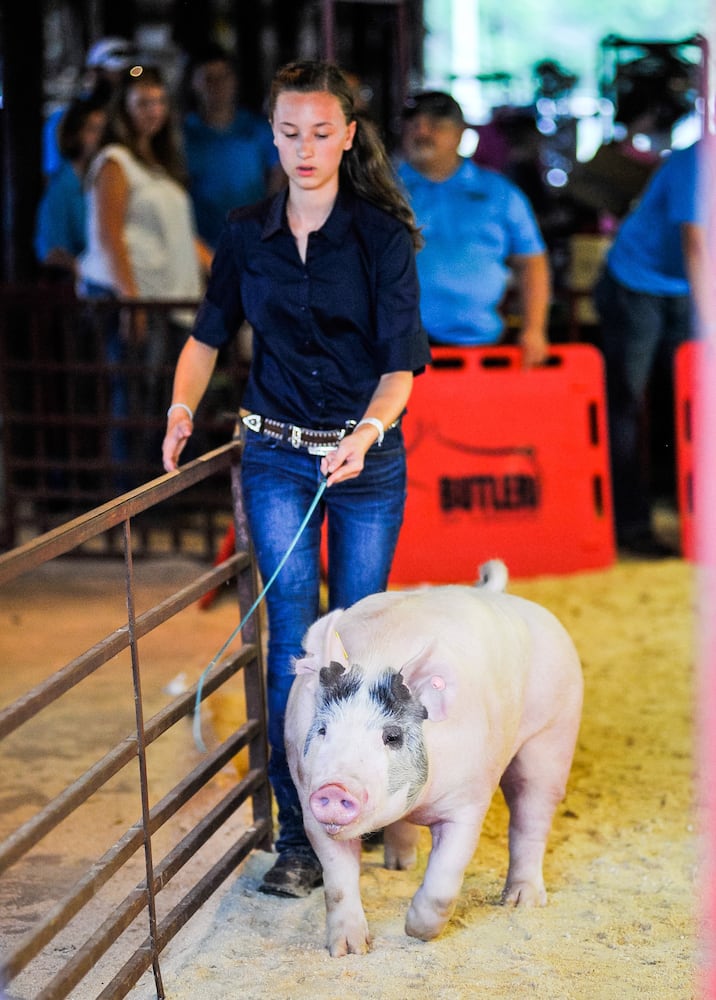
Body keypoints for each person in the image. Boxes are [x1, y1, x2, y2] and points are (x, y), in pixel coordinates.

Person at [162, 59, 430, 896]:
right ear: (270, 136)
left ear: (349, 136)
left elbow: (401, 366)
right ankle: (302, 838)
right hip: (275, 450)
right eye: (288, 132)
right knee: (291, 639)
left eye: (322, 132)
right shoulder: (246, 232)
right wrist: (179, 408)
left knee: (354, 635)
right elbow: (209, 334)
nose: (305, 148)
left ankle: (372, 800)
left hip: (367, 460)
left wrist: (368, 431)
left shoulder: (382, 236)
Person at [79, 65, 212, 473]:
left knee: (163, 398)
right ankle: (131, 495)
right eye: (142, 102)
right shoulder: (115, 161)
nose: (152, 110)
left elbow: (181, 236)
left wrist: (226, 269)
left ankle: (163, 492)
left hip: (169, 299)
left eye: (158, 101)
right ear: (125, 108)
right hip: (137, 297)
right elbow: (108, 235)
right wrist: (131, 302)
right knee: (137, 395)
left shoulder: (159, 163)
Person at [594, 139, 705, 558]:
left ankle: (693, 519)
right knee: (626, 405)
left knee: (691, 407)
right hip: (635, 285)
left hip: (684, 287)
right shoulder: (697, 161)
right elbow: (696, 245)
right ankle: (631, 526)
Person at [397, 91, 550, 367]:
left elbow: (531, 262)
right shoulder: (381, 189)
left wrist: (534, 329)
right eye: (413, 125)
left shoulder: (499, 192)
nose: (422, 132)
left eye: (435, 125)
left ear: (459, 134)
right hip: (402, 348)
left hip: (483, 343)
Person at [182, 44, 285, 249]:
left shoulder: (259, 130)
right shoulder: (183, 135)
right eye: (208, 79)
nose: (218, 86)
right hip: (201, 248)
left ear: (235, 80)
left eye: (224, 77)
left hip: (253, 244)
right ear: (194, 83)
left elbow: (279, 177)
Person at [34, 93, 107, 278]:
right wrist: (86, 271)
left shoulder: (101, 179)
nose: (100, 138)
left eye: (103, 131)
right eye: (93, 129)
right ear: (74, 135)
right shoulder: (62, 186)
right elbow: (50, 251)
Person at [43, 36, 138, 178]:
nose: (119, 81)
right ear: (94, 72)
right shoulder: (63, 118)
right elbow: (55, 170)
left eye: (125, 74)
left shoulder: (129, 117)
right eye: (112, 73)